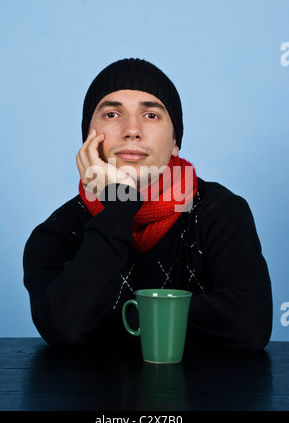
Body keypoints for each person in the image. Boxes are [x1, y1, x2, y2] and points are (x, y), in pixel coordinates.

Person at [23, 58, 273, 351]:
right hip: (95, 397)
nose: (132, 130)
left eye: (151, 115)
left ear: (175, 140)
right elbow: (63, 325)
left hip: (203, 396)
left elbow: (249, 323)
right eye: (113, 114)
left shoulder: (220, 211)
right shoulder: (58, 231)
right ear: (87, 138)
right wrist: (119, 204)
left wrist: (117, 319)